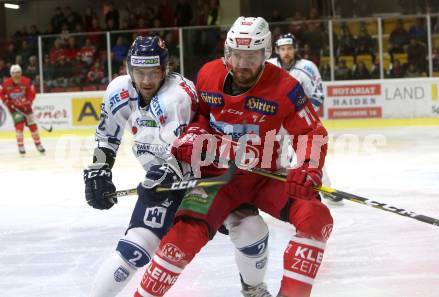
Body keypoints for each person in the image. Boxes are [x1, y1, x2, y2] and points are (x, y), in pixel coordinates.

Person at [135, 17, 333, 297]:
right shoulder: (208, 75)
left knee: (317, 216)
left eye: (251, 56)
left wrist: (308, 167)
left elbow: (311, 131)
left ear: (266, 53)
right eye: (237, 55)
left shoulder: (286, 87)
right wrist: (192, 136)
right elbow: (200, 116)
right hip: (218, 180)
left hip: (266, 178)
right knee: (183, 235)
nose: (242, 63)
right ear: (227, 52)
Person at [83, 35, 272, 297]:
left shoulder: (177, 96)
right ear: (129, 70)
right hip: (165, 175)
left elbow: (183, 153)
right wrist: (99, 169)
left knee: (251, 229)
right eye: (139, 72)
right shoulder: (119, 90)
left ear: (165, 69)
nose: (146, 80)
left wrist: (164, 175)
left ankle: (253, 288)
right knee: (135, 247)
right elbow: (107, 135)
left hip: (209, 173)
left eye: (154, 72)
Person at [267, 33, 340, 204]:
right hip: (275, 122)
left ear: (295, 49)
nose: (286, 52)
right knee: (277, 157)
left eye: (289, 48)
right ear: (277, 50)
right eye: (283, 49)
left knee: (309, 153)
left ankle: (320, 187)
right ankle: (284, 192)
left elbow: (318, 94)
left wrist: (302, 114)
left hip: (299, 122)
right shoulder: (268, 66)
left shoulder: (307, 67)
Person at [0, 64, 45, 154]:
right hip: (14, 109)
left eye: (18, 73)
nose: (16, 75)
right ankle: (21, 146)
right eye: (13, 73)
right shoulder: (6, 84)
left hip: (26, 108)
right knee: (19, 126)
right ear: (11, 74)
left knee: (33, 126)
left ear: (21, 73)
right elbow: (1, 93)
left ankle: (38, 144)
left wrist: (29, 102)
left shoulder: (27, 82)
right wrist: (6, 102)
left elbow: (32, 93)